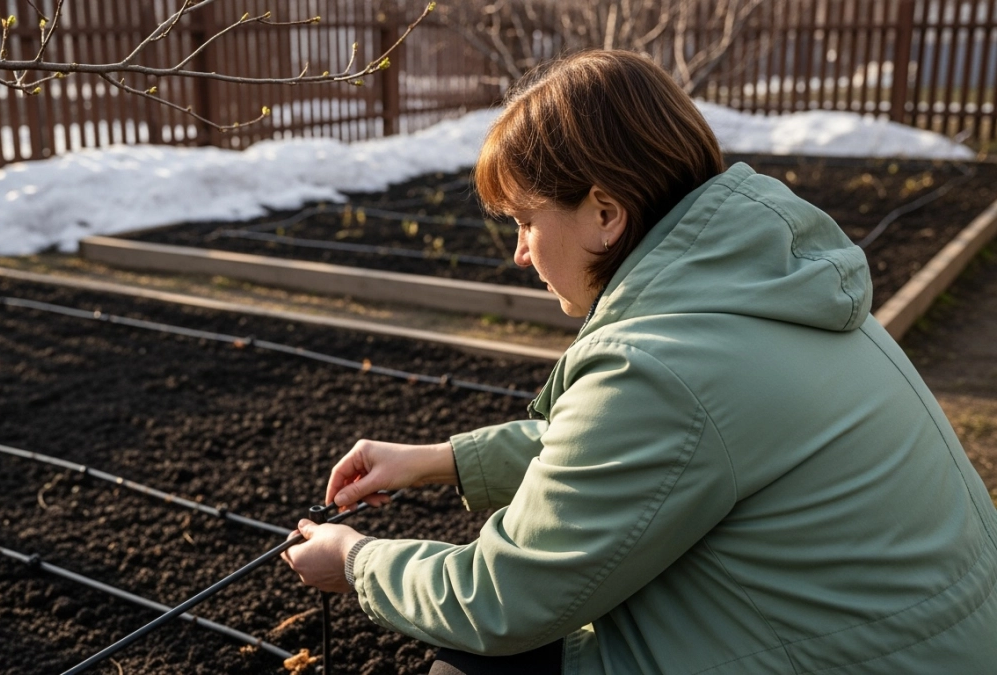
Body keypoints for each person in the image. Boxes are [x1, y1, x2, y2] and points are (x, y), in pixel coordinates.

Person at [282, 49, 997, 674]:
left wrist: (356, 561)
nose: (520, 252)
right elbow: (654, 448)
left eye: (527, 221)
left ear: (605, 212)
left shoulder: (659, 365)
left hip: (857, 657)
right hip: (928, 642)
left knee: (475, 662)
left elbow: (502, 598)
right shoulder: (764, 288)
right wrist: (437, 458)